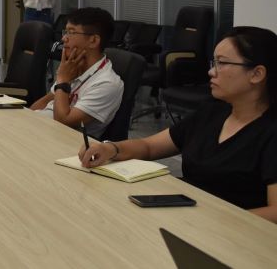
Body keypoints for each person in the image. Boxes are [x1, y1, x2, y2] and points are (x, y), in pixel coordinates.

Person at [80, 27, 277, 222]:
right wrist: (111, 148)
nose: (211, 71)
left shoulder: (270, 132)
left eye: (222, 63)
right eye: (214, 62)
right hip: (186, 218)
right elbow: (149, 147)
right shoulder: (211, 113)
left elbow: (274, 211)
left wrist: (217, 221)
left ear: (257, 74)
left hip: (229, 231)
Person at [30, 7, 123, 138]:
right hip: (37, 129)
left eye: (71, 32)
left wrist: (63, 80)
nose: (64, 38)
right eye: (65, 32)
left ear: (93, 41)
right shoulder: (74, 67)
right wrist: (25, 120)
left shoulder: (107, 83)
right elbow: (43, 103)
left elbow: (63, 122)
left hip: (59, 141)